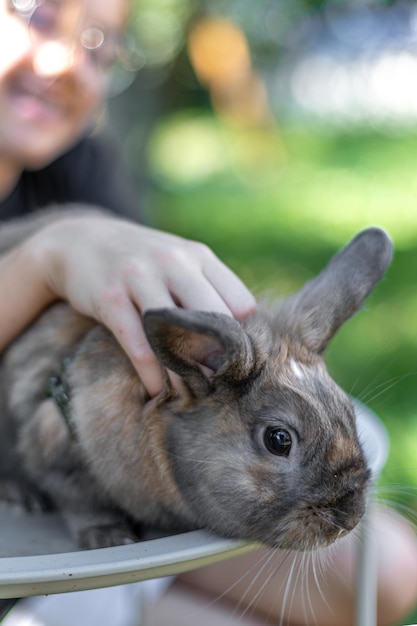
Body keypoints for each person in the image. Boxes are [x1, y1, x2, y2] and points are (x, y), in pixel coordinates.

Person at [0, 1, 417, 625]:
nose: (63, 61)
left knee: (386, 570)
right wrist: (46, 257)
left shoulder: (76, 164)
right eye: (33, 12)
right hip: (31, 544)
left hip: (118, 512)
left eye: (97, 42)